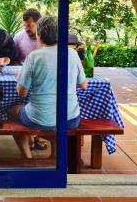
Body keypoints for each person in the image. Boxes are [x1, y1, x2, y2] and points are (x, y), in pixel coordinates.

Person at [8, 16, 88, 159]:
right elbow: (83, 84)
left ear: (40, 35)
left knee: (12, 110)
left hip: (40, 119)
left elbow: (22, 92)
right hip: (70, 118)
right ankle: (54, 156)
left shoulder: (34, 57)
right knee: (56, 122)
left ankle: (27, 157)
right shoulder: (73, 53)